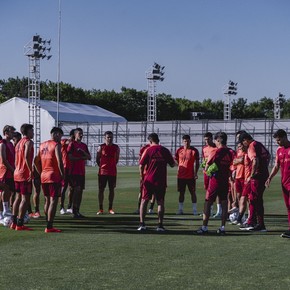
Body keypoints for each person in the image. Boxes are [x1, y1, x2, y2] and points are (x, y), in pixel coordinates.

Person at [196, 132, 234, 235]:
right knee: (224, 202)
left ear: (218, 140)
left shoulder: (215, 151)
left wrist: (207, 168)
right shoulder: (231, 152)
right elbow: (233, 166)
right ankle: (222, 227)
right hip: (225, 181)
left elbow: (207, 166)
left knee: (208, 202)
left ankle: (204, 227)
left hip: (215, 180)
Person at [138, 133, 175, 232]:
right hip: (161, 180)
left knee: (144, 201)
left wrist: (142, 177)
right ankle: (160, 225)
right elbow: (172, 164)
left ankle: (142, 224)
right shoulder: (165, 150)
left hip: (149, 180)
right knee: (160, 202)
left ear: (150, 141)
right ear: (158, 140)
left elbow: (141, 165)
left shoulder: (148, 150)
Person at [35, 127, 64, 233]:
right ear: (56, 134)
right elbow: (60, 161)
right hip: (53, 175)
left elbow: (35, 161)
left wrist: (40, 172)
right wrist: (63, 174)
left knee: (47, 200)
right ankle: (49, 226)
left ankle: (48, 222)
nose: (60, 138)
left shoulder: (42, 145)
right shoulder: (56, 145)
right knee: (53, 200)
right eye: (60, 135)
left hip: (44, 175)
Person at [238, 132, 270, 232]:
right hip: (264, 174)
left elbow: (255, 160)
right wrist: (264, 168)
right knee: (255, 198)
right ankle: (255, 222)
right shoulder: (259, 144)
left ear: (245, 140)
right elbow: (268, 155)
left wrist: (252, 174)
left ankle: (257, 223)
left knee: (255, 199)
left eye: (243, 143)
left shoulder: (252, 146)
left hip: (257, 176)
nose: (244, 145)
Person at [265, 129, 290, 238]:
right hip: (284, 182)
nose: (277, 142)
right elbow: (276, 166)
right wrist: (270, 178)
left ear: (285, 137)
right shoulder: (279, 150)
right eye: (276, 140)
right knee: (288, 207)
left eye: (279, 140)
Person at [10, 123, 34, 231]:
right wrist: (31, 171)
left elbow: (16, 160)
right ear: (27, 131)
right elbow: (26, 157)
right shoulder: (28, 142)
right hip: (24, 173)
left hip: (17, 172)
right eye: (32, 131)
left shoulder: (18, 142)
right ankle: (20, 224)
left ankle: (14, 223)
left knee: (18, 197)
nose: (33, 132)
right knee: (25, 199)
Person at [67, 128, 91, 218]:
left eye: (82, 133)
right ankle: (73, 209)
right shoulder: (72, 144)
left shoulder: (84, 145)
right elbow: (70, 157)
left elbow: (89, 157)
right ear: (75, 134)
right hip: (73, 171)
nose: (81, 135)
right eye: (79, 133)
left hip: (81, 172)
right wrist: (81, 158)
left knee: (80, 191)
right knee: (76, 189)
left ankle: (77, 210)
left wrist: (83, 152)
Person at [96, 131, 120, 215]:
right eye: (108, 137)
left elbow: (117, 159)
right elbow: (97, 159)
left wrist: (111, 166)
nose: (110, 139)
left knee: (111, 190)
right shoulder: (101, 147)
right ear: (104, 138)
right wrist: (102, 166)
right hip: (102, 172)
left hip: (112, 172)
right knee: (101, 190)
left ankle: (110, 208)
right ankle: (100, 208)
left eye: (111, 137)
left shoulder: (116, 147)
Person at [175, 134, 199, 215]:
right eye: (185, 141)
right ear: (182, 141)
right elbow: (176, 161)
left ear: (190, 141)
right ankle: (180, 209)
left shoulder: (194, 151)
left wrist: (195, 173)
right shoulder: (179, 150)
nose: (186, 143)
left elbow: (197, 162)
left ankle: (195, 210)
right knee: (181, 193)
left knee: (193, 192)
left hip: (190, 176)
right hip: (181, 176)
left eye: (188, 141)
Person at [201, 132, 219, 217]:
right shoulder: (204, 148)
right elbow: (204, 159)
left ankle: (219, 211)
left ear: (212, 139)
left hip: (215, 172)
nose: (206, 141)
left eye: (208, 139)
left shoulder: (216, 148)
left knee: (217, 191)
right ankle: (209, 210)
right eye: (205, 140)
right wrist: (203, 168)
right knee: (208, 190)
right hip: (206, 173)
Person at [0, 125, 16, 217]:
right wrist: (12, 169)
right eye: (11, 132)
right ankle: (4, 210)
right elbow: (4, 160)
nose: (13, 133)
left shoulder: (11, 144)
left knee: (8, 191)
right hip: (5, 171)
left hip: (10, 170)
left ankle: (4, 211)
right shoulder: (3, 144)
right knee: (4, 190)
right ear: (6, 133)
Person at [59, 129, 75, 214]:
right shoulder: (65, 141)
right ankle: (61, 207)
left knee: (72, 188)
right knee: (63, 188)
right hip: (65, 167)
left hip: (73, 168)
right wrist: (71, 141)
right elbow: (65, 143)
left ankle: (69, 206)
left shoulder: (76, 144)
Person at [134, 143, 150, 214]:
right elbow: (140, 162)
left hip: (148, 174)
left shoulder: (156, 148)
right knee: (141, 191)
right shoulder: (144, 148)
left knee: (152, 193)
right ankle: (139, 208)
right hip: (145, 173)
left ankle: (150, 209)